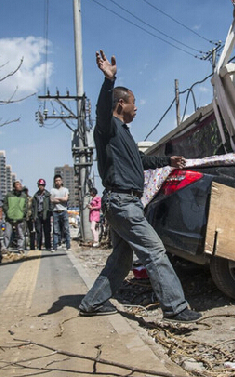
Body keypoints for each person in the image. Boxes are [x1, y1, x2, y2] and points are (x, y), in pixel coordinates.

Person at [78, 50, 201, 323]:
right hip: (122, 203)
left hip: (127, 203)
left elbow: (141, 161)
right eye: (133, 103)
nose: (137, 108)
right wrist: (109, 81)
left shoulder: (123, 134)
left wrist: (167, 160)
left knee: (121, 259)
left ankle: (93, 302)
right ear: (121, 103)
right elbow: (100, 111)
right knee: (155, 252)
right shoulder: (107, 128)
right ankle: (175, 308)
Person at [2, 181, 28, 254]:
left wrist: (23, 213)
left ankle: (20, 248)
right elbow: (4, 205)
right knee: (7, 234)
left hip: (20, 218)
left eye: (20, 184)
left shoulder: (23, 196)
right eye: (17, 184)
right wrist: (7, 212)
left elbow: (26, 206)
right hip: (9, 218)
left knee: (20, 234)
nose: (19, 186)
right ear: (14, 187)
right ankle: (5, 247)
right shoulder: (9, 195)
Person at [50, 174, 70, 252]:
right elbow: (52, 200)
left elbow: (66, 199)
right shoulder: (52, 190)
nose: (57, 182)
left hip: (64, 211)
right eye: (56, 181)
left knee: (66, 229)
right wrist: (62, 199)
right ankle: (55, 246)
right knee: (55, 230)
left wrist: (57, 198)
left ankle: (68, 246)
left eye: (59, 180)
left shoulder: (65, 189)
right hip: (55, 211)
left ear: (61, 181)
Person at [32, 178, 52, 250]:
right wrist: (34, 216)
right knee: (39, 231)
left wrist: (50, 213)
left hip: (46, 214)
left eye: (42, 185)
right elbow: (33, 207)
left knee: (47, 231)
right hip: (38, 214)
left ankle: (48, 246)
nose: (41, 186)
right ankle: (39, 246)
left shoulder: (48, 195)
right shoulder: (35, 196)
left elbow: (51, 205)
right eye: (40, 185)